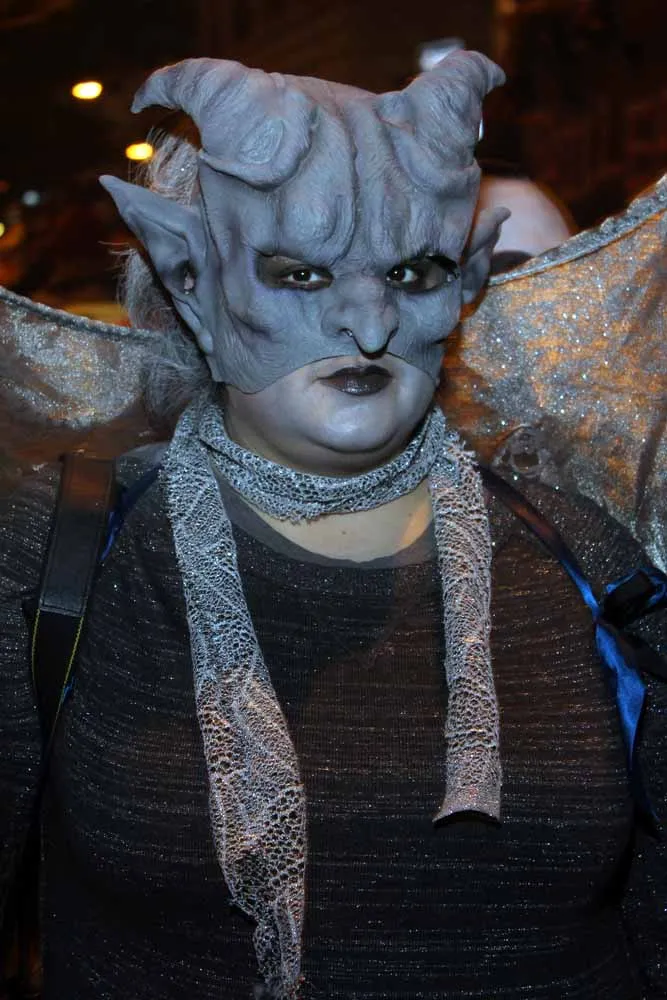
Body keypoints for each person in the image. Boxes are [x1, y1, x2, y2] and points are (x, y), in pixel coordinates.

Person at [0, 51, 665, 1000]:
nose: (369, 324)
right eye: (302, 272)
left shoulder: (581, 555)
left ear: (465, 279)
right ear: (186, 277)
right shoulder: (58, 556)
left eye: (411, 270)